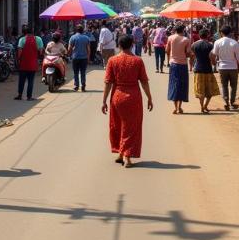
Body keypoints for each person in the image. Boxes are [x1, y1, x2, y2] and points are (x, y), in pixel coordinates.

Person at [102, 34, 154, 167]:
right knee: (131, 127)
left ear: (119, 45)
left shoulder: (112, 60)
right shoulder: (137, 61)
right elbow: (144, 81)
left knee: (117, 124)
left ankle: (121, 153)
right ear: (132, 45)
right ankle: (127, 156)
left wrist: (104, 101)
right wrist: (149, 97)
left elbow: (108, 82)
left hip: (117, 97)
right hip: (134, 97)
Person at [213, 25, 239, 110]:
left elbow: (215, 53)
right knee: (233, 86)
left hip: (222, 67)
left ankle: (226, 102)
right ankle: (232, 102)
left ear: (221, 33)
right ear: (230, 33)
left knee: (224, 85)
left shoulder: (217, 42)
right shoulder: (234, 43)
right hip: (233, 67)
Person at [191, 28, 219, 114]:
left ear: (199, 35)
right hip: (208, 69)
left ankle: (201, 106)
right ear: (207, 36)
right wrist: (214, 64)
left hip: (198, 69)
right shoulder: (210, 45)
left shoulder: (194, 45)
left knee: (200, 91)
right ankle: (205, 106)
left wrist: (192, 65)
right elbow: (212, 57)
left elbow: (192, 56)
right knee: (209, 90)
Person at [166, 24, 192, 114]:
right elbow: (188, 53)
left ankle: (175, 107)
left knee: (173, 84)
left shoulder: (170, 38)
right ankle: (179, 107)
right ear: (183, 30)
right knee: (182, 85)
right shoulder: (186, 40)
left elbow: (167, 50)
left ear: (175, 30)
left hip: (173, 64)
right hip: (183, 64)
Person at [15, 25, 43, 101]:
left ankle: (20, 95)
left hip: (23, 63)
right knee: (31, 81)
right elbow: (40, 52)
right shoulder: (38, 39)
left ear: (24, 32)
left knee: (21, 80)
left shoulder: (22, 40)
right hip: (33, 63)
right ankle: (29, 97)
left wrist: (18, 60)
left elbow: (19, 52)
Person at [68, 24, 92, 92]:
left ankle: (76, 86)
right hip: (84, 58)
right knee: (83, 72)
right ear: (82, 30)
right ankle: (83, 86)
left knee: (76, 72)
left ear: (76, 30)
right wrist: (88, 58)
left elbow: (69, 48)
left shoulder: (72, 37)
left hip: (75, 57)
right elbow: (88, 49)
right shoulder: (86, 38)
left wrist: (68, 55)